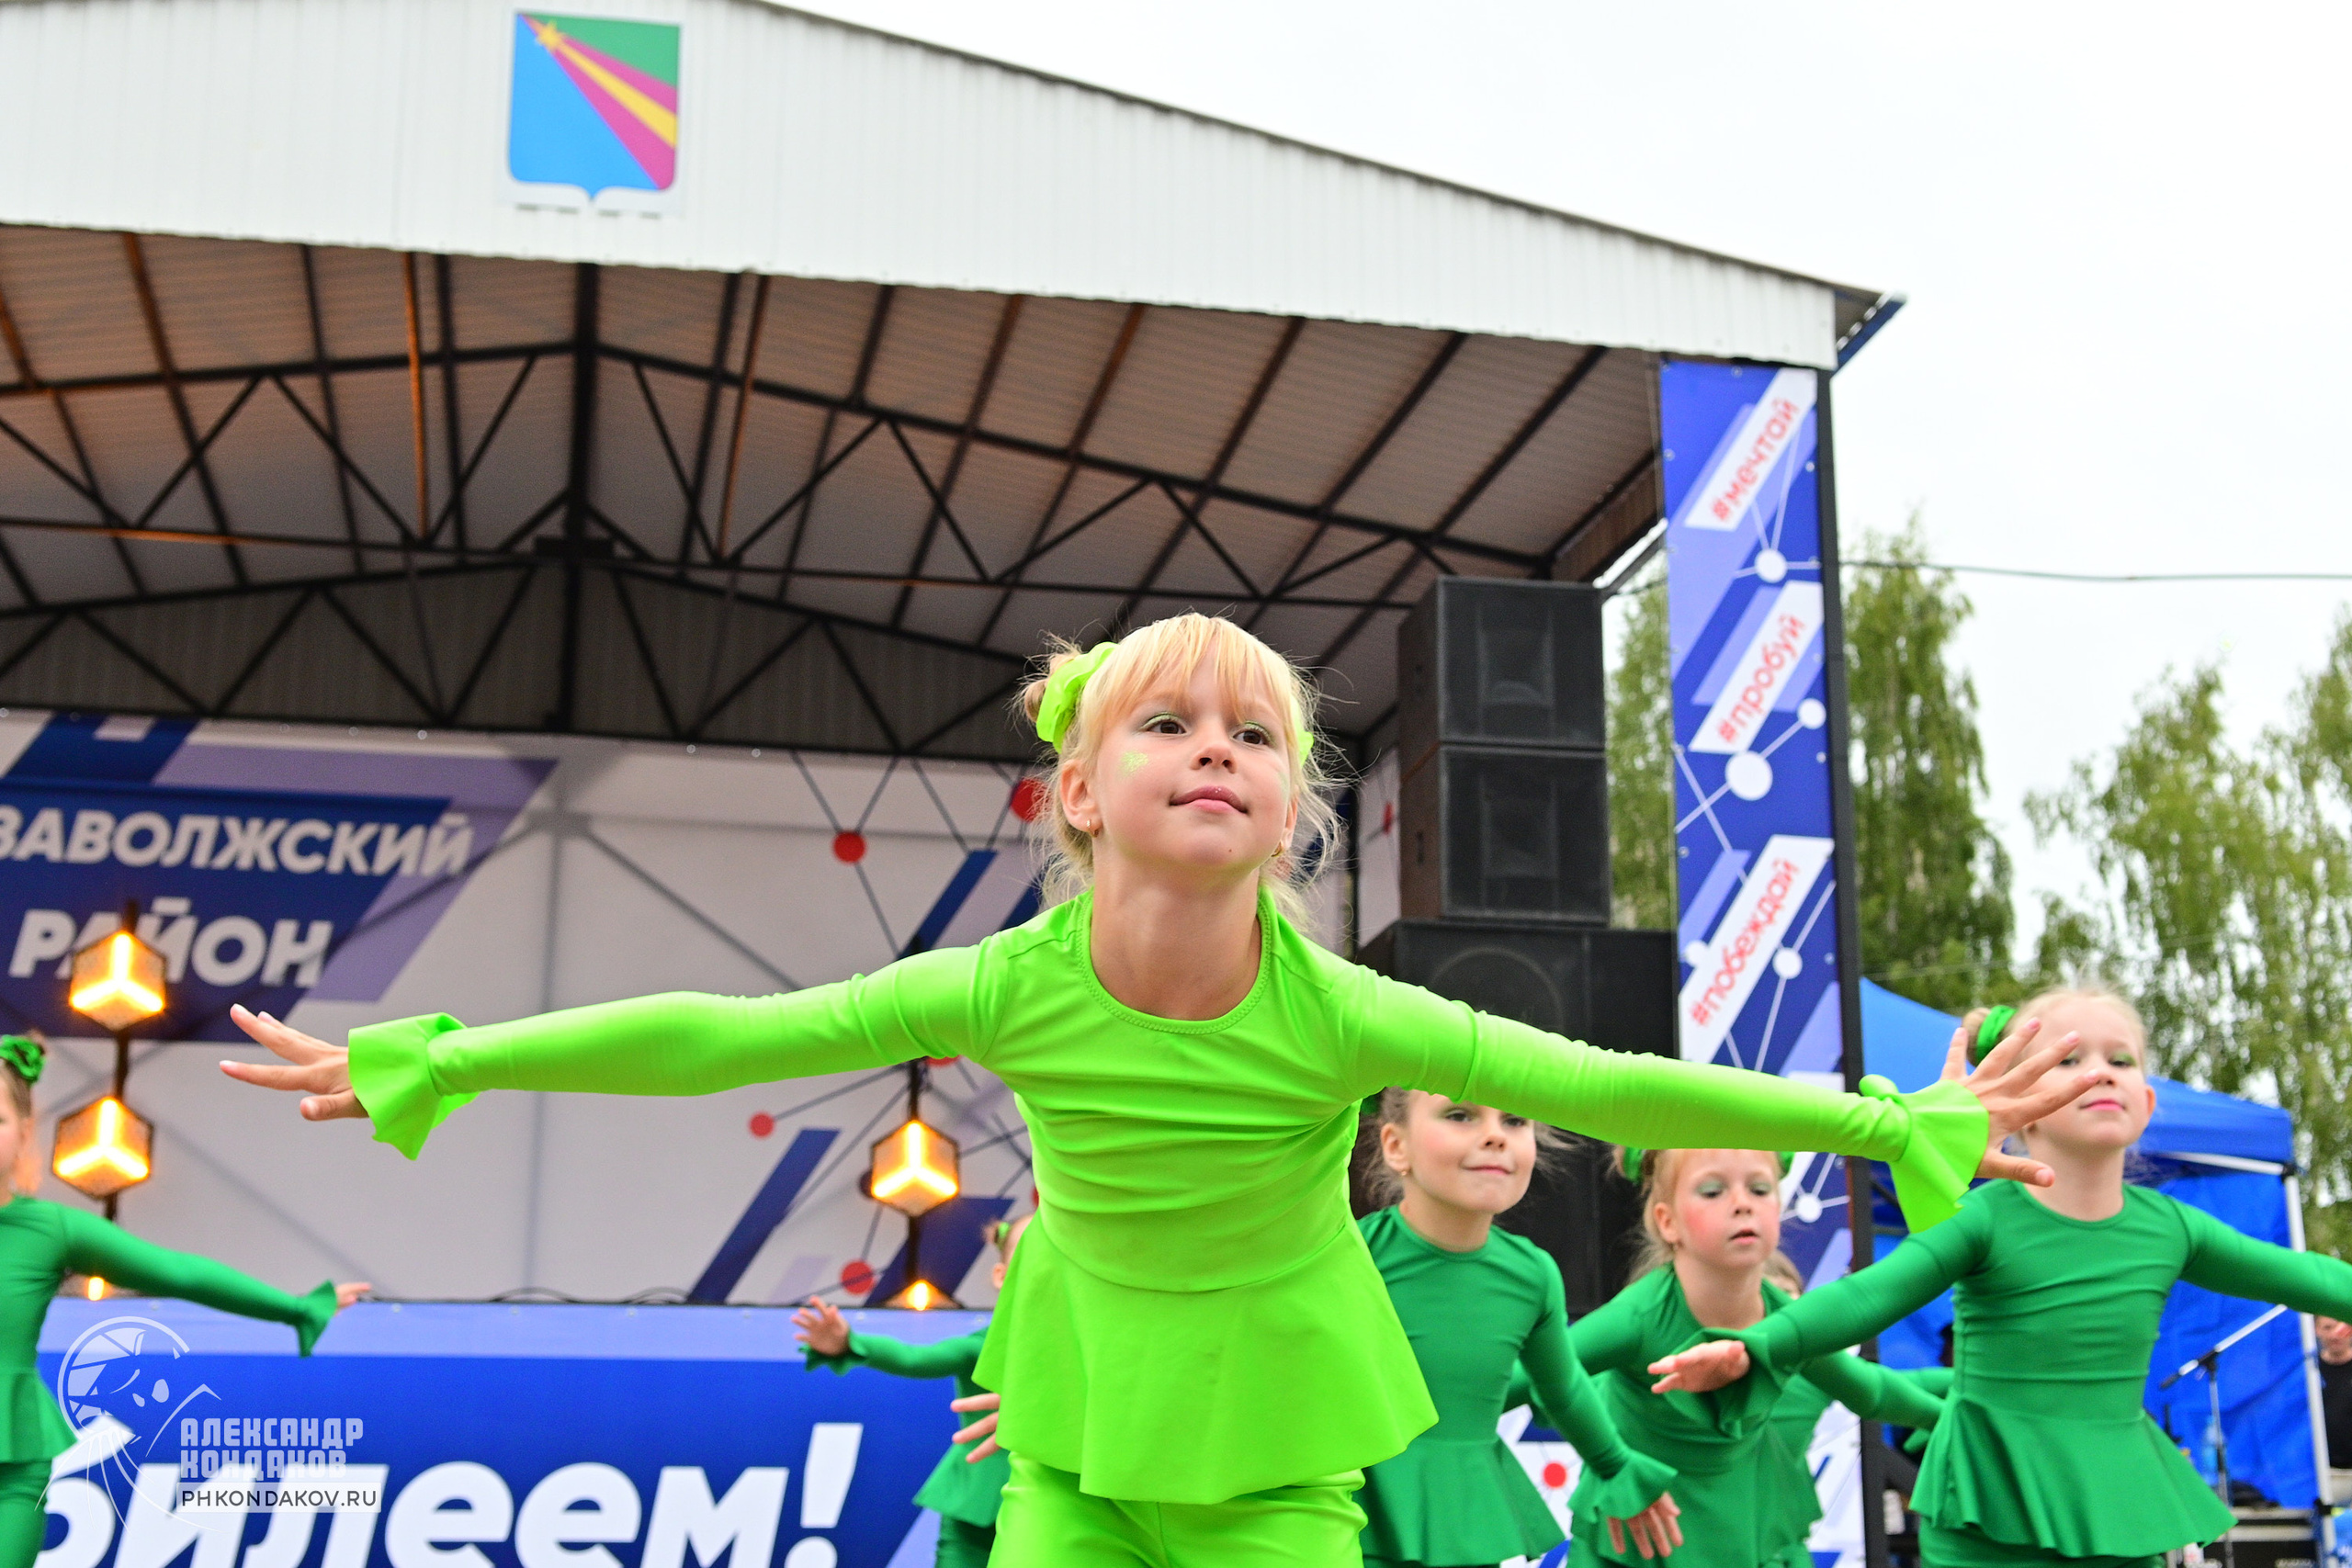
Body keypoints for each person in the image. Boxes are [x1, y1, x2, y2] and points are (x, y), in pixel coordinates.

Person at [219, 613, 2085, 1568]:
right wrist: (447, 1056)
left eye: (1256, 734)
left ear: (1288, 816)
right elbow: (729, 1030)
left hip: (1273, 1433)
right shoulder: (1002, 983)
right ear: (1077, 794)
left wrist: (1884, 1121)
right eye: (1169, 722)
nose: (1217, 747)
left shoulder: (1342, 1009)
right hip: (1081, 1416)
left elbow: (1594, 1072)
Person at [1652, 988, 2352, 1568]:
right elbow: (1869, 1294)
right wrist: (1757, 1345)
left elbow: (2306, 1276)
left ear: (2146, 1103)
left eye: (2120, 1058)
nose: (2099, 1070)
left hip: (2117, 1501)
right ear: (2016, 1105)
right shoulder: (1988, 1218)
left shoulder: (2172, 1227)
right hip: (1990, 1503)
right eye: (2067, 1057)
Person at [0, 1034, 368, 1568]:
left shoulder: (49, 1231)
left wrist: (297, 1308)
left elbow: (179, 1273)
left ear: (25, 1131)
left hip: (12, 1471)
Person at [1566, 1147, 1943, 1568]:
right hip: (1638, 1538)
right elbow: (1541, 1375)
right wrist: (1611, 1461)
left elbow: (1872, 1390)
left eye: (1760, 1189)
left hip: (1743, 1528)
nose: (1742, 1203)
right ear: (1666, 1221)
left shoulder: (1788, 1319)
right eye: (1712, 1191)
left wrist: (1968, 1413)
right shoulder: (1638, 1319)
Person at [1354, 1089, 1680, 1568]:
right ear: (1395, 1145)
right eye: (1460, 1115)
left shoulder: (1532, 1275)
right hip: (1356, 1515)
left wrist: (1618, 1465)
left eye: (1514, 1121)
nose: (1493, 1136)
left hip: (1470, 1519)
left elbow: (1564, 1387)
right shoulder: (1355, 1256)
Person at [795, 1214, 1031, 1566]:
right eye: (1031, 1255)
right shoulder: (981, 1347)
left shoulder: (1088, 1353)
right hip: (974, 1514)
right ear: (1001, 1275)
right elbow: (915, 1359)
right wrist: (849, 1342)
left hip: (1044, 1511)